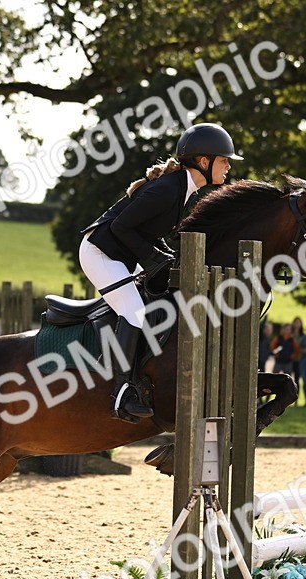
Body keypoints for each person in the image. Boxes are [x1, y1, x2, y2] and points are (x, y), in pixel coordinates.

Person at [79, 122, 242, 422]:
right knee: (134, 312)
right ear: (204, 162)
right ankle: (121, 393)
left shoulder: (183, 189)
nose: (229, 165)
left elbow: (147, 233)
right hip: (100, 252)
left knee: (161, 299)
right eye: (224, 160)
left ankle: (141, 374)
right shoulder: (168, 189)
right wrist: (154, 257)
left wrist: (163, 256)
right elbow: (120, 227)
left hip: (123, 252)